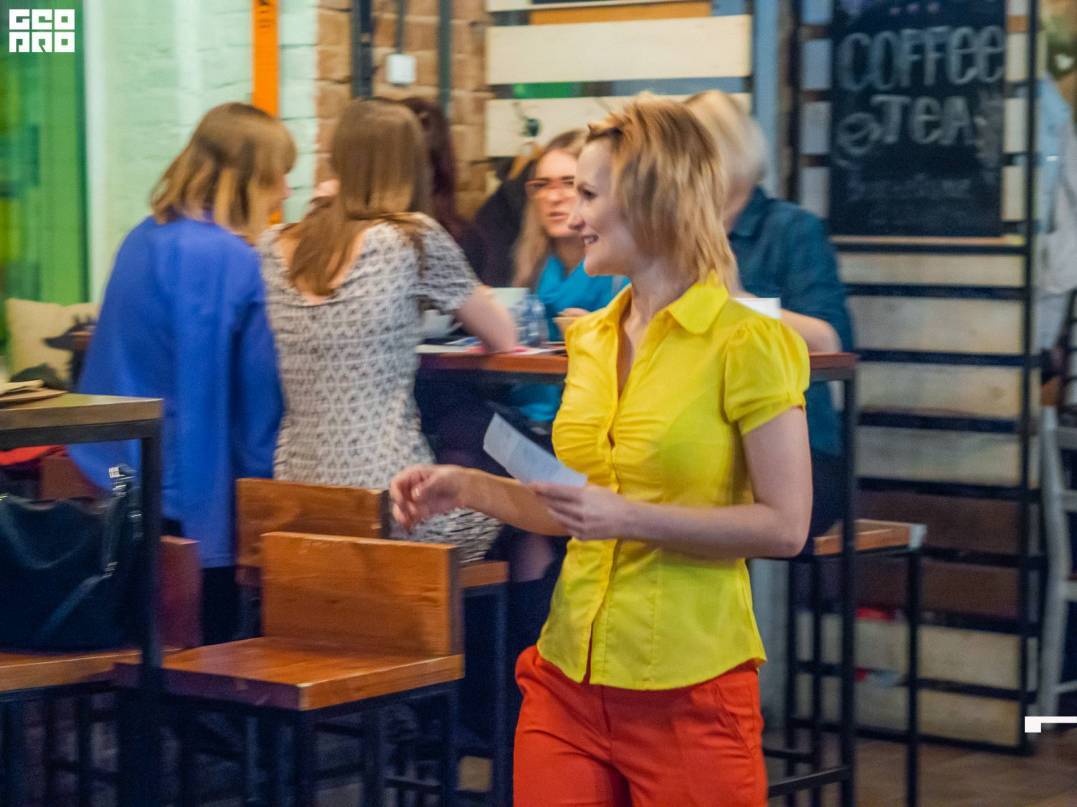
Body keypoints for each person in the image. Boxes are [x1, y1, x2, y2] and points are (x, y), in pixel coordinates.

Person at [392, 96, 812, 806]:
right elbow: (574, 510)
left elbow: (786, 526)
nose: (571, 212)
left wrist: (630, 518)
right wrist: (463, 486)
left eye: (588, 194)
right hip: (567, 678)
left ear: (650, 200)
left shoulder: (748, 343)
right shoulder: (587, 338)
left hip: (690, 688)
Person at [70, 102, 295, 643]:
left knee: (137, 652)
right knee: (208, 659)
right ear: (249, 178)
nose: (287, 192)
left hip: (116, 480)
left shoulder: (139, 239)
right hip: (198, 501)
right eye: (279, 176)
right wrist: (268, 496)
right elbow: (257, 408)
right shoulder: (235, 261)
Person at [259, 98, 516, 562]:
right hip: (399, 505)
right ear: (412, 166)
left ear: (338, 158)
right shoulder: (411, 237)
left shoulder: (274, 245)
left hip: (299, 500)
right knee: (518, 504)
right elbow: (504, 337)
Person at [686, 90, 853, 538]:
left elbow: (830, 339)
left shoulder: (792, 230)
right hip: (701, 437)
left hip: (798, 454)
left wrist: (736, 300)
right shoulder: (678, 234)